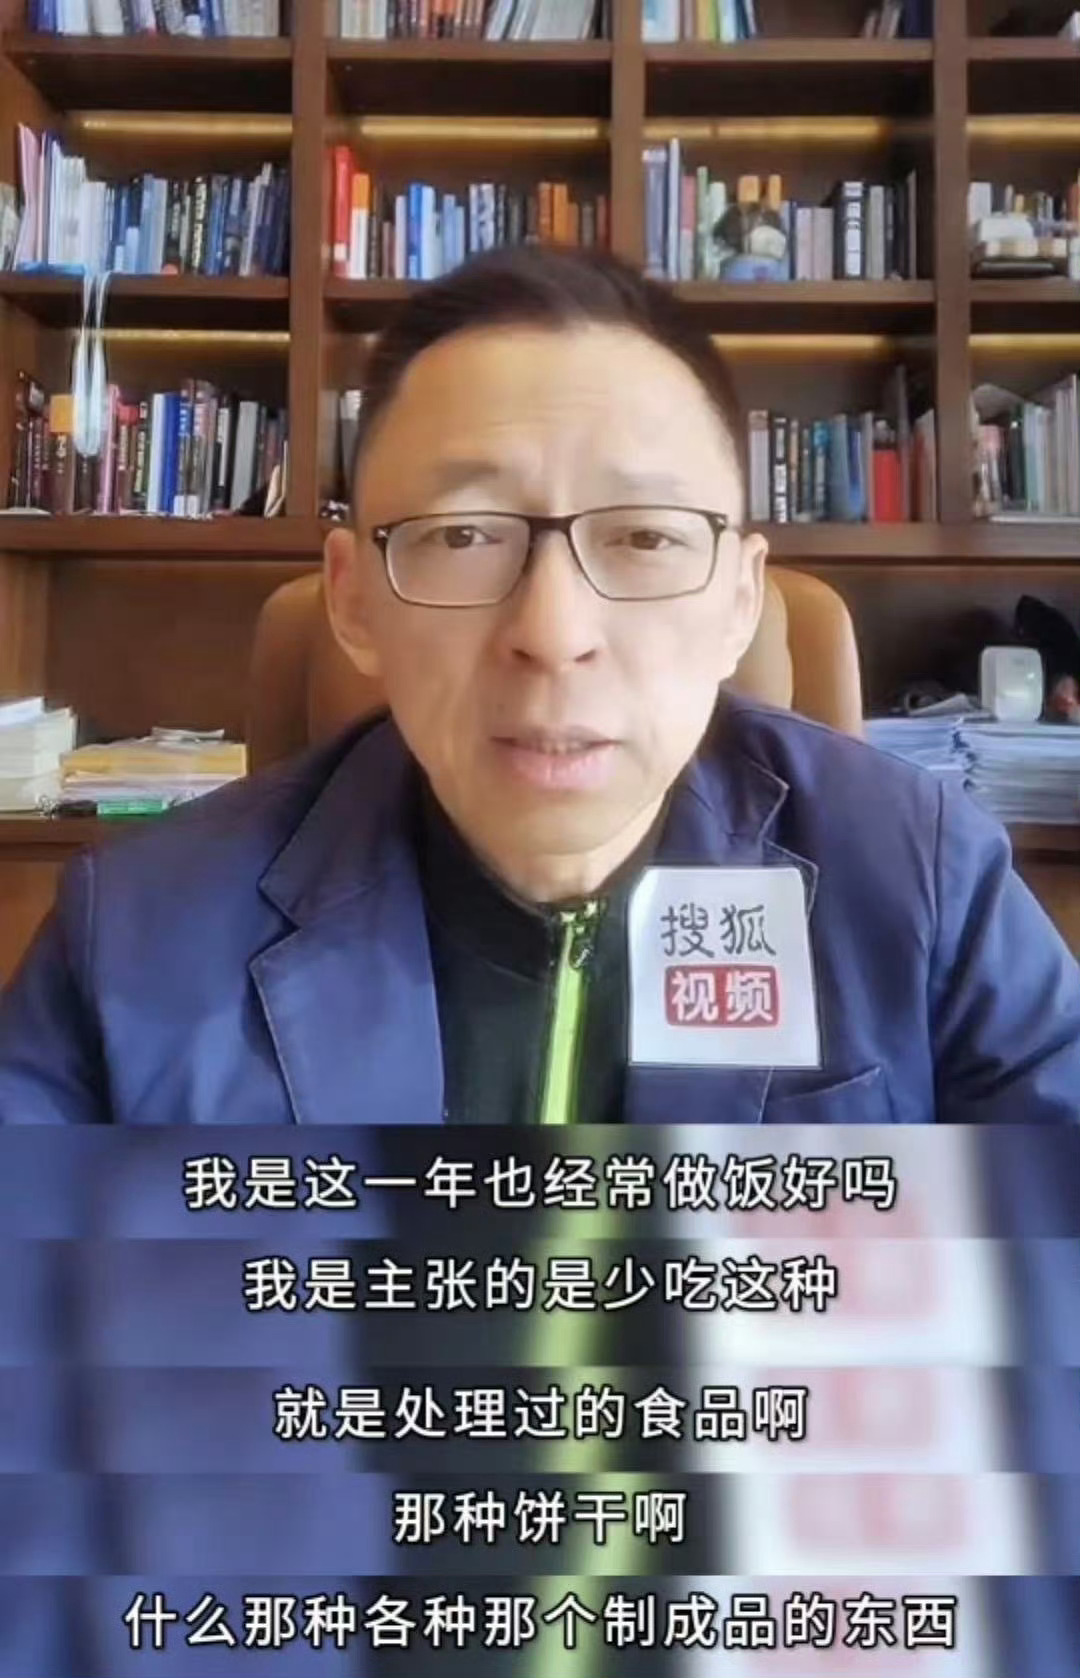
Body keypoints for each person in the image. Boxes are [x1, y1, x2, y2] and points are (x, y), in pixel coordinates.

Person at [1, 244, 1078, 1122]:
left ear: (740, 603)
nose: (554, 634)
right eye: (465, 534)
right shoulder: (133, 941)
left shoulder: (927, 884)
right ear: (354, 601)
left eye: (646, 537)